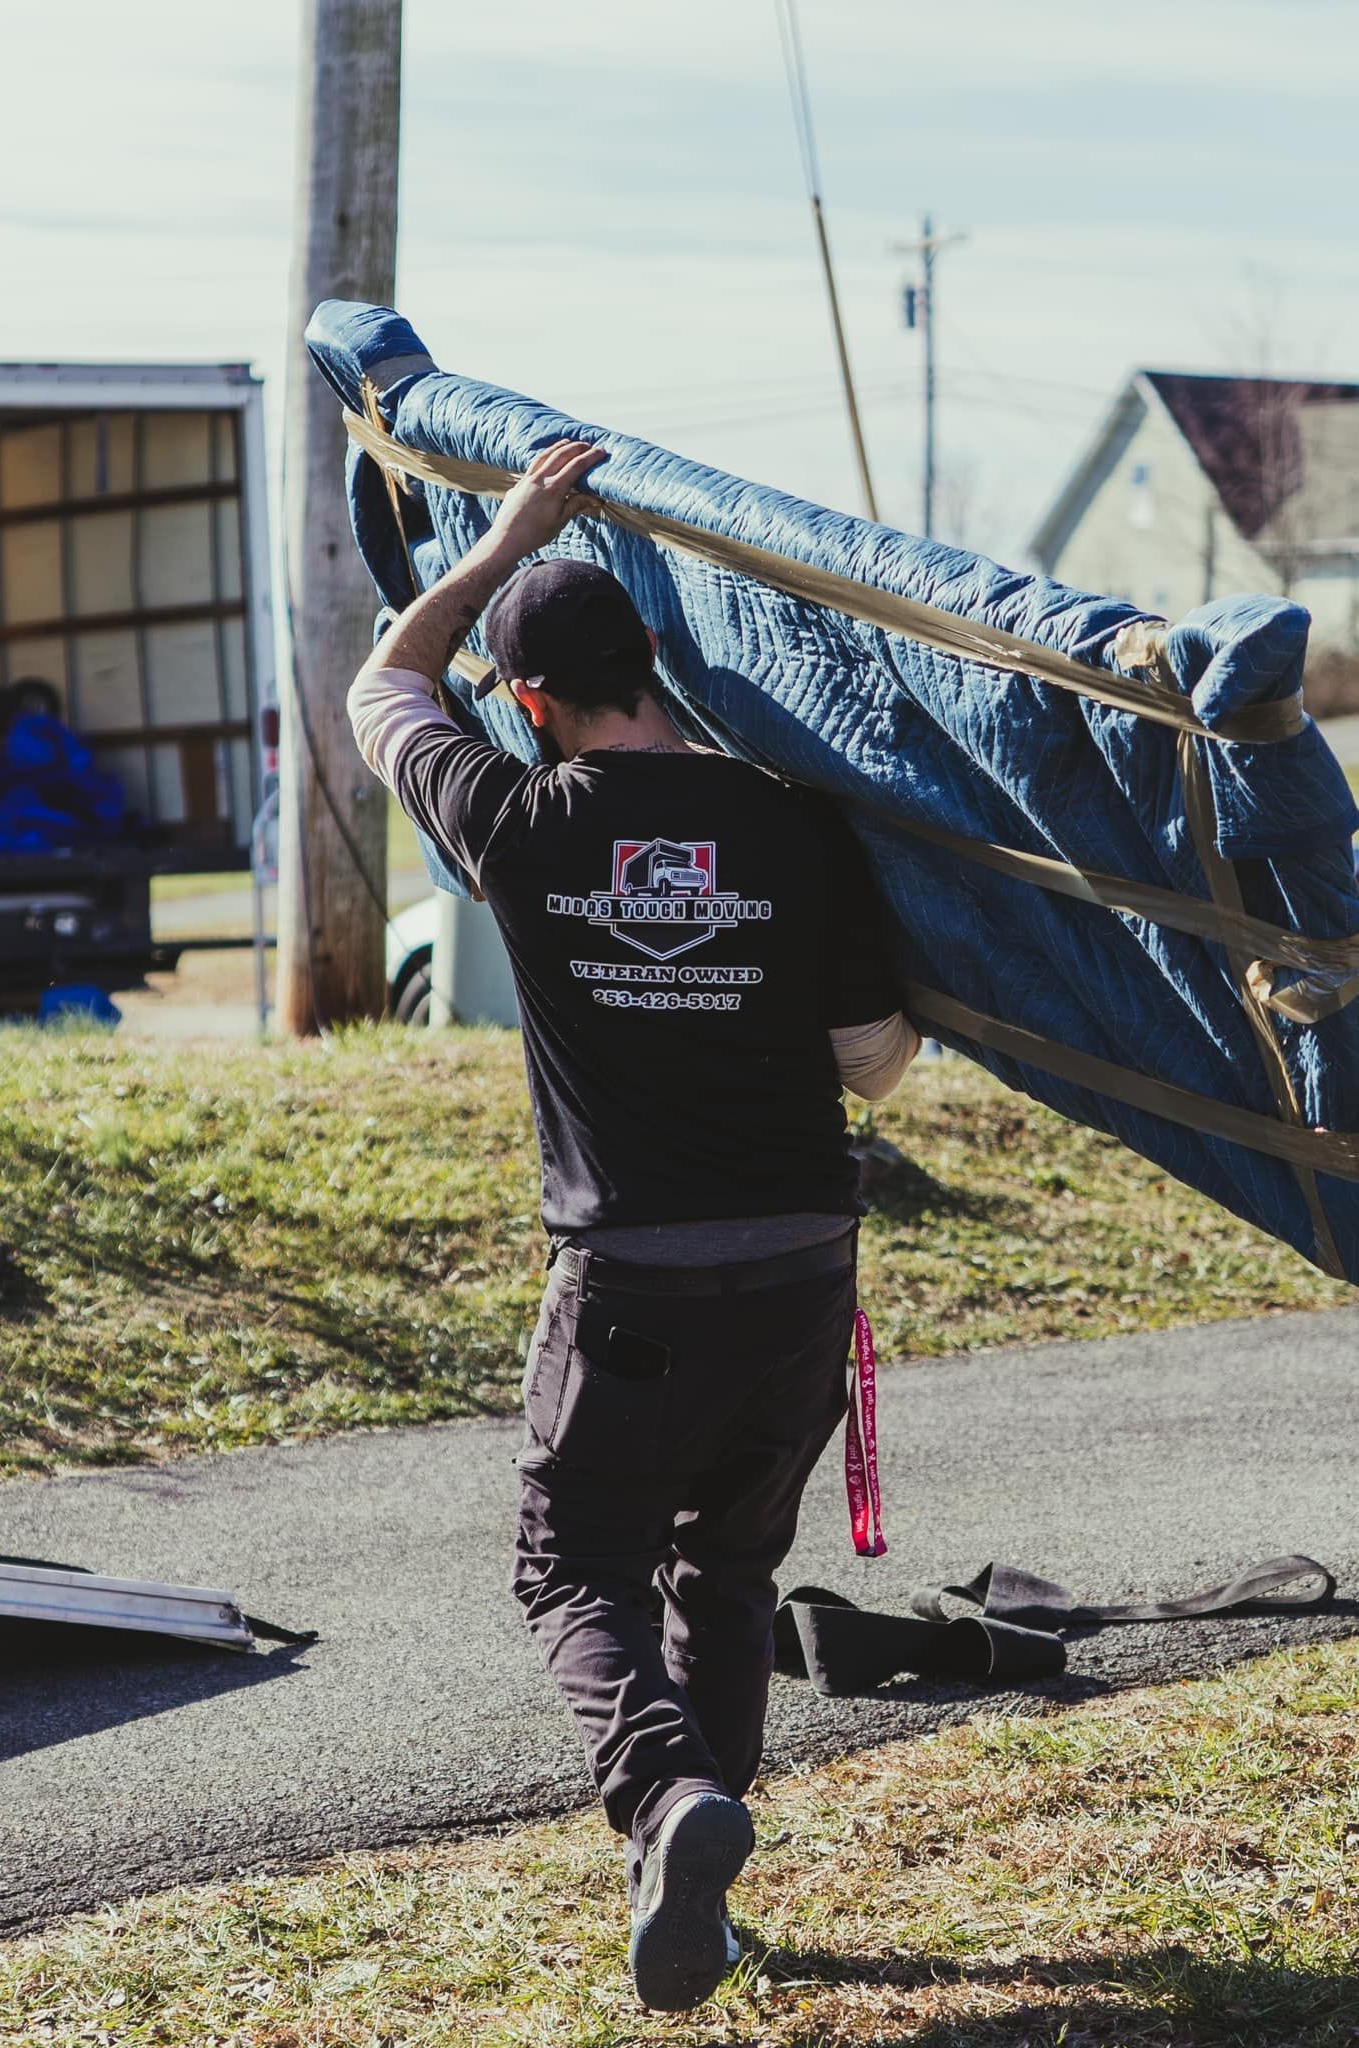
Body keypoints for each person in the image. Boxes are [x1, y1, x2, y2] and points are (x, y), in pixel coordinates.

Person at [347, 440, 918, 2011]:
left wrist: (500, 542)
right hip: (803, 1264)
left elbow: (379, 689)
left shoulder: (515, 821)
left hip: (633, 1279)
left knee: (571, 1567)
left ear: (528, 701)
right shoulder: (797, 823)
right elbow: (872, 1063)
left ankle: (668, 1804)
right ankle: (701, 1884)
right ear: (652, 666)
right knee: (724, 1580)